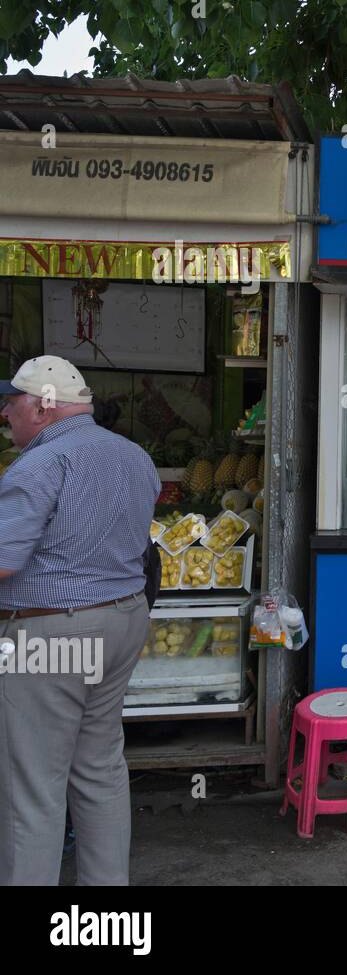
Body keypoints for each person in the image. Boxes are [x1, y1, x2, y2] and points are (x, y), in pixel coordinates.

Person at [0, 356, 160, 885]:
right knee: (100, 771)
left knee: (33, 788)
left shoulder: (39, 465)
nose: (6, 414)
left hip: (53, 633)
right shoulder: (135, 456)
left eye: (12, 403)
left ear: (43, 406)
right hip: (123, 621)